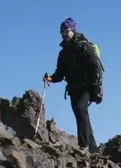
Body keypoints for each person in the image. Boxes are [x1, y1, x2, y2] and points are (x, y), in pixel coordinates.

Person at [43, 18, 102, 153]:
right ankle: (93, 149)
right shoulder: (63, 53)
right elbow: (60, 73)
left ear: (73, 30)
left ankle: (83, 146)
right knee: (81, 115)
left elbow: (95, 67)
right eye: (62, 31)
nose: (63, 34)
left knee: (81, 110)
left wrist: (97, 87)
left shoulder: (84, 46)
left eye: (66, 31)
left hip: (87, 87)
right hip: (74, 89)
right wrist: (50, 78)